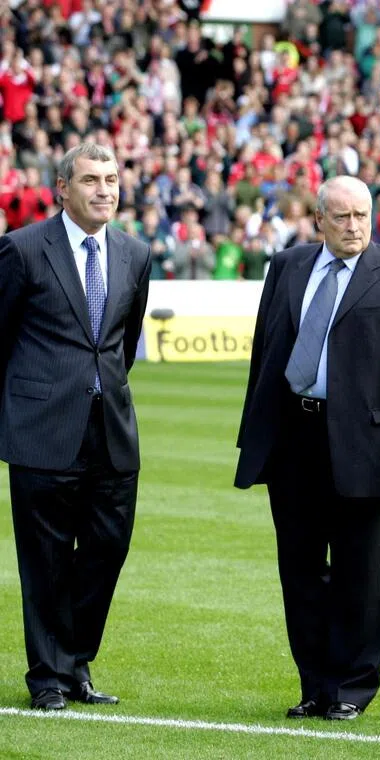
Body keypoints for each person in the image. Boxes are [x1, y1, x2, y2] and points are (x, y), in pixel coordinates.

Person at [234, 176, 380, 721]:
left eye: (362, 216)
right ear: (318, 219)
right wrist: (255, 434)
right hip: (293, 440)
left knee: (361, 575)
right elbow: (266, 351)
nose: (354, 227)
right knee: (299, 571)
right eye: (342, 217)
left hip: (364, 446)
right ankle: (315, 685)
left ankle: (352, 688)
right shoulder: (287, 266)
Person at [0, 142, 151, 710]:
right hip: (41, 429)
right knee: (44, 560)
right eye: (91, 179)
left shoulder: (135, 254)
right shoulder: (21, 250)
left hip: (110, 427)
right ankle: (48, 678)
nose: (104, 189)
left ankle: (74, 662)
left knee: (107, 549)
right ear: (63, 188)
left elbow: (122, 344)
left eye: (111, 178)